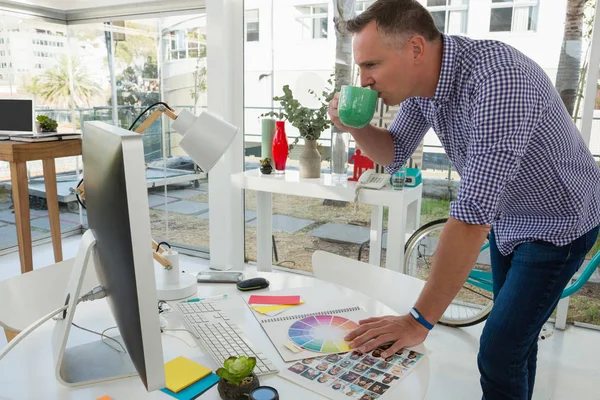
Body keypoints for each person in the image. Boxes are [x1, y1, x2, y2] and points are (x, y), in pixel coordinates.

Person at [330, 1, 600, 399]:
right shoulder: (425, 85)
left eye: (371, 65)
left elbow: (471, 215)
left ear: (416, 49)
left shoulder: (499, 79)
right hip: (510, 216)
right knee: (515, 343)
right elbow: (394, 151)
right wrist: (355, 127)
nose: (364, 79)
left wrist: (418, 320)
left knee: (498, 351)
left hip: (558, 219)